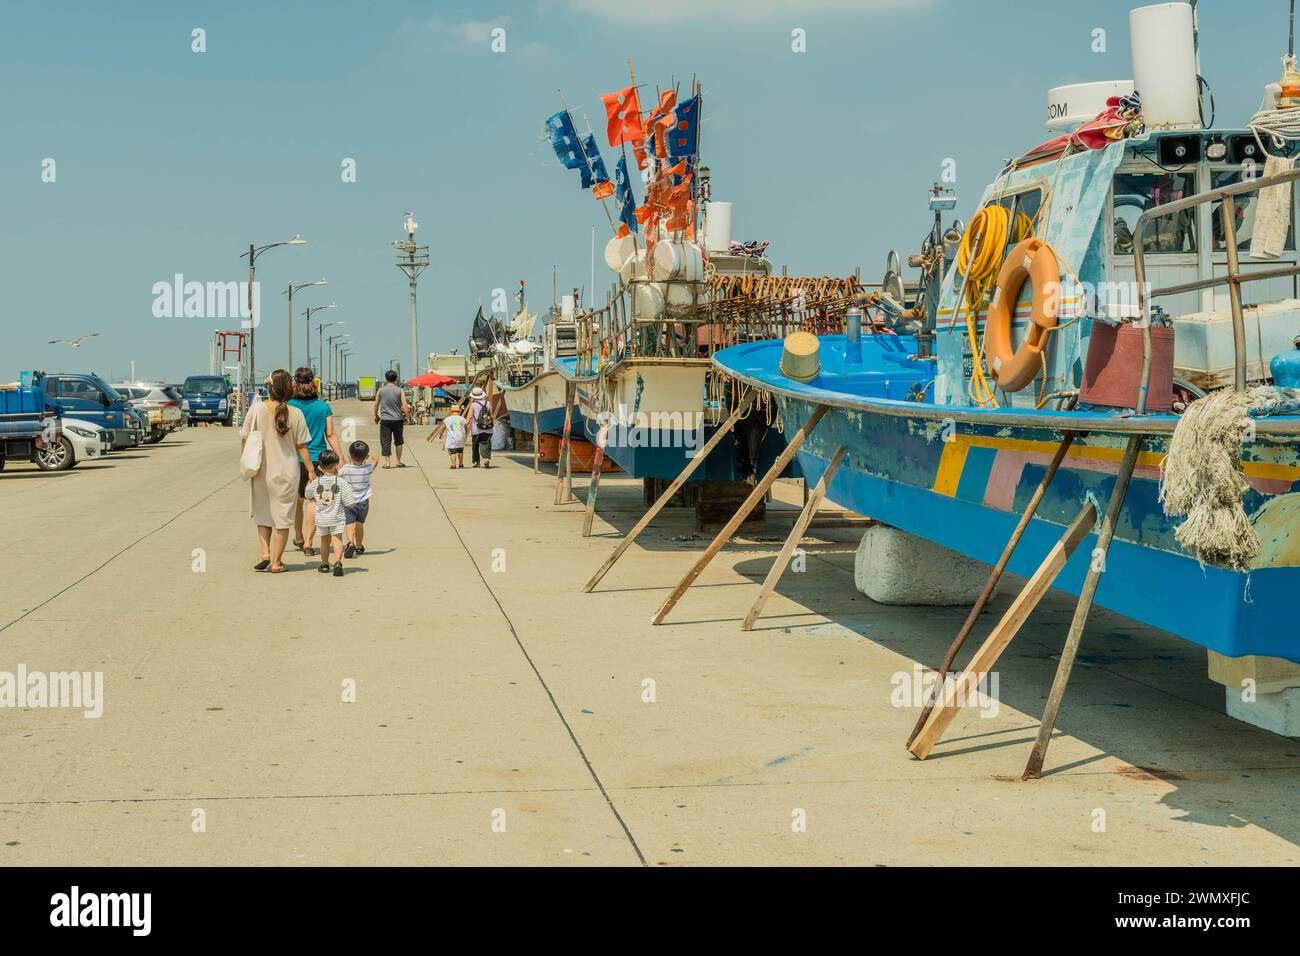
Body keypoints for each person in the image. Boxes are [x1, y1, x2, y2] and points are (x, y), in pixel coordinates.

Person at [241, 369, 313, 573]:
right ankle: (276, 562)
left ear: (269, 388)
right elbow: (302, 447)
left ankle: (265, 552)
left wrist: (245, 460)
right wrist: (312, 471)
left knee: (263, 513)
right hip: (287, 472)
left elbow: (245, 438)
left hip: (261, 470)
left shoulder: (255, 409)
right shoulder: (296, 413)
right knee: (282, 517)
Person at [290, 367, 342, 556]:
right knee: (313, 501)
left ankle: (299, 536)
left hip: (295, 460)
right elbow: (330, 433)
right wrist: (340, 457)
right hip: (317, 460)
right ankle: (309, 542)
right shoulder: (323, 407)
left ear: (295, 383)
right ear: (313, 383)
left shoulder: (289, 405)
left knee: (298, 501)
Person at [303, 449, 356, 576]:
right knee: (337, 540)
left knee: (324, 542)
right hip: (337, 517)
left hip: (322, 518)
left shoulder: (316, 482)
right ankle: (337, 562)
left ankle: (325, 564)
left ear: (320, 467)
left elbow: (307, 494)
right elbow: (350, 502)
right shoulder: (341, 482)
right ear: (337, 465)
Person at [339, 440, 378, 557]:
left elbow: (337, 474)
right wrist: (374, 458)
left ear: (349, 455)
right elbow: (375, 462)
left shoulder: (345, 469)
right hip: (363, 501)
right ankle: (359, 546)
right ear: (366, 456)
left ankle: (350, 543)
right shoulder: (367, 469)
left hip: (348, 501)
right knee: (359, 523)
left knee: (349, 523)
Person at [374, 370, 410, 468]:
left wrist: (376, 416)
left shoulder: (380, 390)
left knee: (385, 441)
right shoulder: (400, 390)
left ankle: (387, 462)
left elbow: (376, 404)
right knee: (399, 441)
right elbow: (405, 405)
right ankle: (398, 461)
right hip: (398, 419)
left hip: (385, 420)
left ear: (386, 379)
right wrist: (407, 417)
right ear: (396, 379)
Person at [466, 386, 494, 468]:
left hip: (476, 429)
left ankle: (476, 462)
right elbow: (491, 415)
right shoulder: (488, 403)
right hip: (488, 428)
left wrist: (466, 424)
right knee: (486, 444)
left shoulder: (473, 405)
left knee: (475, 446)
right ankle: (486, 459)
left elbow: (469, 416)